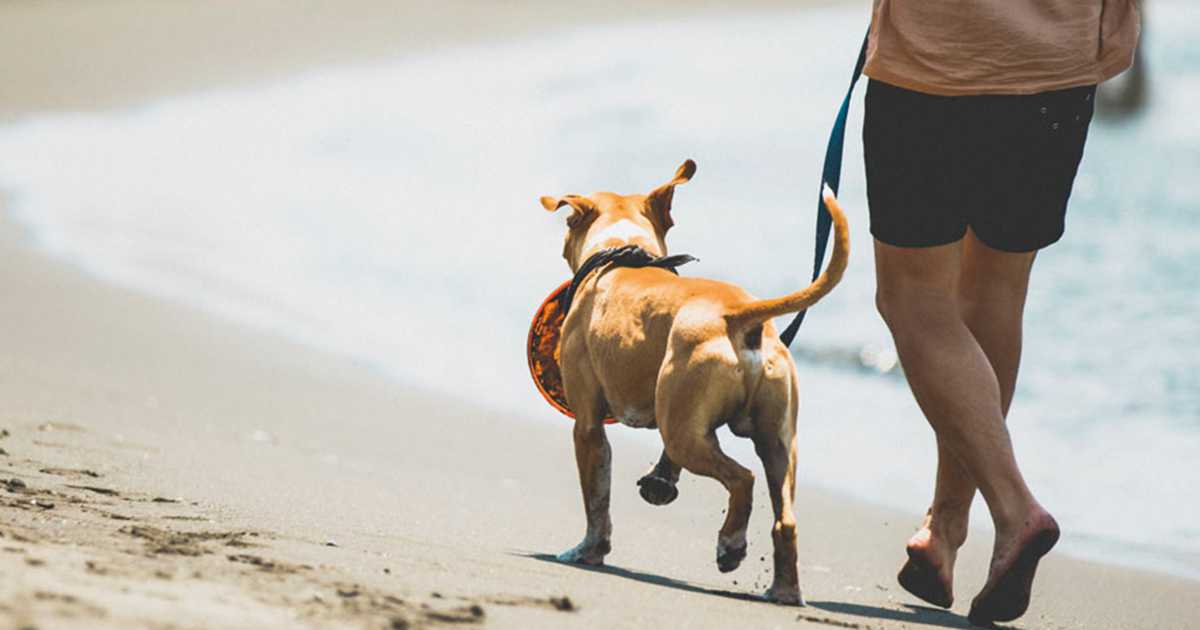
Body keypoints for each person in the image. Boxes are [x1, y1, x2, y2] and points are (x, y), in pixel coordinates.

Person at [860, 1, 1140, 625]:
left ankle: (1015, 510)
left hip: (939, 56)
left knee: (911, 298)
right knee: (995, 292)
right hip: (1059, 63)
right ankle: (946, 525)